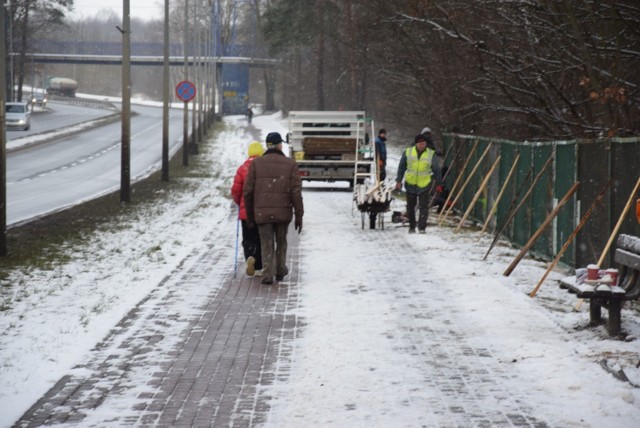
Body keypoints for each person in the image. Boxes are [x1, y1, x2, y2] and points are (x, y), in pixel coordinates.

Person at [244, 132, 304, 285]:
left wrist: (250, 215)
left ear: (267, 145)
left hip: (262, 212)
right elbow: (296, 192)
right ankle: (280, 268)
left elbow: (248, 191)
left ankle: (268, 272)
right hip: (283, 211)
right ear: (279, 145)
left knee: (266, 242)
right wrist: (299, 214)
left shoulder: (256, 164)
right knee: (281, 241)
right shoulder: (290, 164)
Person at [395, 134, 442, 234]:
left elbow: (437, 169)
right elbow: (401, 167)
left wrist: (439, 183)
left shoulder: (431, 154)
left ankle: (422, 227)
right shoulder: (408, 152)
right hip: (410, 183)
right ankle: (412, 226)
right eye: (420, 143)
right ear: (416, 144)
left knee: (423, 207)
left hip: (424, 184)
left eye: (424, 143)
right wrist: (399, 181)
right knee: (410, 207)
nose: (422, 145)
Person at [231, 141, 265, 277]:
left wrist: (238, 200)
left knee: (248, 237)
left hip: (246, 212)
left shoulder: (242, 168)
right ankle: (258, 267)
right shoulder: (263, 168)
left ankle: (250, 256)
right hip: (261, 209)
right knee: (260, 238)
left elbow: (236, 189)